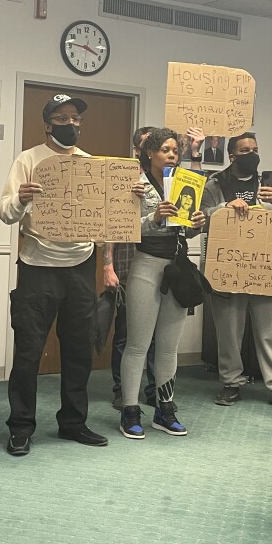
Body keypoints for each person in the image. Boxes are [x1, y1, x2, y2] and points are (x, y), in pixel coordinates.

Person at [0, 94, 144, 456]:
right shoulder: (28, 160)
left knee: (79, 351)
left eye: (76, 118)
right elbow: (4, 213)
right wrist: (21, 198)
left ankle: (74, 423)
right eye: (62, 118)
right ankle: (20, 427)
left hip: (81, 267)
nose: (71, 124)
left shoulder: (92, 165)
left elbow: (108, 222)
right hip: (37, 267)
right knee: (29, 351)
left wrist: (133, 203)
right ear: (48, 124)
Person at [201, 133, 272, 412]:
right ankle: (231, 382)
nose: (252, 154)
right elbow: (200, 216)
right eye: (245, 150)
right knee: (228, 330)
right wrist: (225, 208)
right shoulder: (215, 183)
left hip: (266, 268)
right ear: (232, 155)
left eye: (255, 150)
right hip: (228, 266)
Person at [119, 127, 206, 439]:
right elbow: (125, 227)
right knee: (139, 344)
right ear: (150, 153)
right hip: (146, 265)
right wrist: (153, 218)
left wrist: (198, 223)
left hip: (178, 267)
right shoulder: (136, 184)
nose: (172, 155)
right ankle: (130, 410)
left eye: (175, 150)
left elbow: (188, 230)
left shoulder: (184, 183)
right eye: (166, 150)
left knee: (169, 347)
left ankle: (165, 409)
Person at [104, 126, 159, 411]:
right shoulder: (124, 178)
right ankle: (122, 390)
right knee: (126, 333)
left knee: (155, 335)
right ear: (138, 150)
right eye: (147, 146)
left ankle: (152, 389)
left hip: (160, 266)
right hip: (127, 263)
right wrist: (108, 265)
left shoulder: (165, 179)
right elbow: (111, 224)